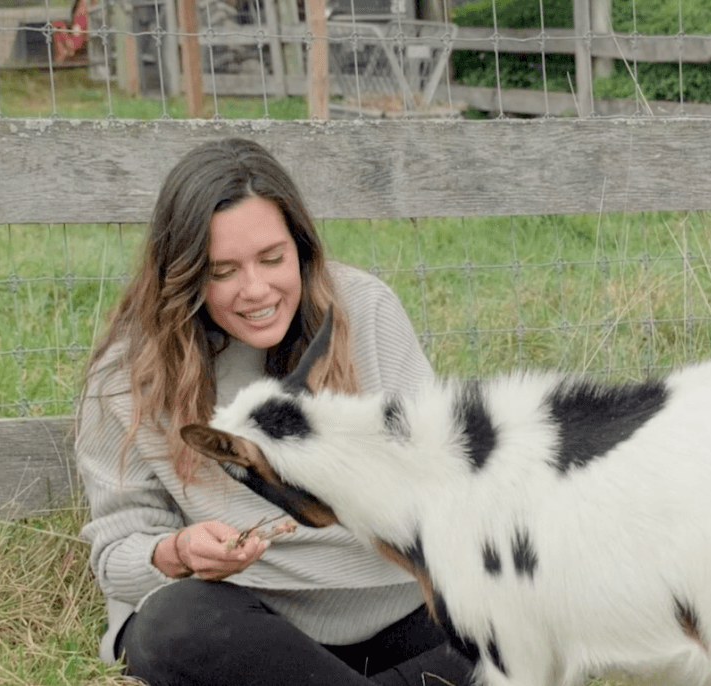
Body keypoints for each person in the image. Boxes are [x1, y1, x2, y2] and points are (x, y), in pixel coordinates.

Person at [74, 138, 474, 686]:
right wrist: (178, 552)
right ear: (184, 273)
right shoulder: (129, 371)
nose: (256, 289)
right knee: (171, 628)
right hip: (256, 627)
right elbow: (118, 554)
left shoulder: (365, 309)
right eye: (222, 271)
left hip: (401, 604)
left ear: (301, 248)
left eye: (272, 258)